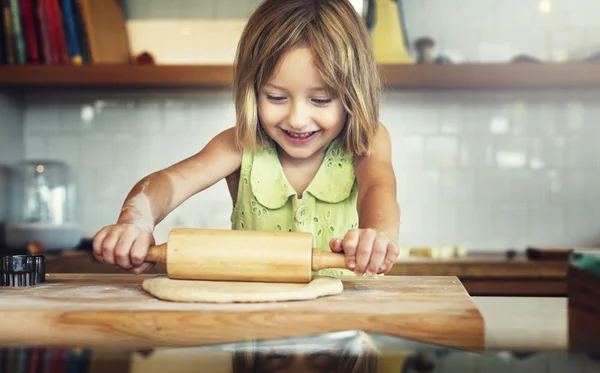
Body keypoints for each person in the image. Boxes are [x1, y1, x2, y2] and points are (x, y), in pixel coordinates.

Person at [92, 0, 400, 277]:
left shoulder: (366, 141)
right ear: (251, 90)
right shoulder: (241, 144)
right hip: (253, 327)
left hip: (342, 328)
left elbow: (377, 188)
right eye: (276, 97)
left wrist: (376, 235)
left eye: (320, 100)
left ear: (354, 95)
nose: (296, 119)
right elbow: (170, 182)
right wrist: (135, 222)